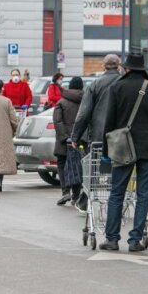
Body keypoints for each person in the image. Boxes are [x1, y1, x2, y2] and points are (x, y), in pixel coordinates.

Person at [99, 53, 148, 252]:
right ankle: (135, 240)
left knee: (117, 193)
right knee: (143, 194)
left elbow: (109, 121)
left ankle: (112, 239)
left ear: (126, 68)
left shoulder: (117, 88)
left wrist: (105, 150)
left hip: (122, 147)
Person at [71, 54, 121, 145]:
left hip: (99, 136)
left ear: (103, 67)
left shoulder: (95, 85)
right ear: (119, 67)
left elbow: (84, 113)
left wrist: (75, 137)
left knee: (98, 158)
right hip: (120, 136)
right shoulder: (124, 83)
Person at [53, 77, 84, 206]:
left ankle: (65, 191)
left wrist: (65, 137)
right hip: (81, 140)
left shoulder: (62, 102)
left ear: (70, 86)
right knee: (78, 166)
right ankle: (76, 195)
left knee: (62, 164)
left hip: (64, 140)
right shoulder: (85, 101)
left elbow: (57, 121)